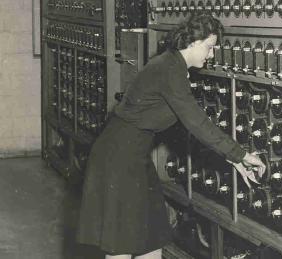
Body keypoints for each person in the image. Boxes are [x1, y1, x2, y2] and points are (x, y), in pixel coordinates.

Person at [77, 13, 266, 259]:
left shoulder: (171, 65)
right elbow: (197, 122)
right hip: (119, 158)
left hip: (134, 155)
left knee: (151, 237)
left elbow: (188, 124)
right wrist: (240, 153)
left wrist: (233, 159)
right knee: (120, 244)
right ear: (194, 41)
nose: (211, 55)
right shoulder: (170, 69)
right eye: (209, 47)